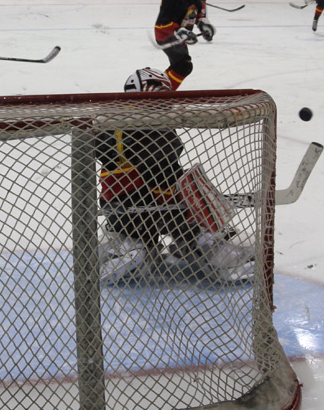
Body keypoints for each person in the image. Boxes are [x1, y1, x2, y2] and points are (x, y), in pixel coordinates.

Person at [95, 68, 253, 284]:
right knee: (182, 204)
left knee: (169, 198)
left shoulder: (117, 120)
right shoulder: (145, 128)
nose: (168, 101)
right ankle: (193, 242)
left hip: (123, 212)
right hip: (141, 209)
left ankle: (139, 244)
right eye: (163, 93)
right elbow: (162, 173)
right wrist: (193, 211)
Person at [154, 0, 204, 89]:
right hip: (166, 36)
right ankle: (162, 92)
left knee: (179, 66)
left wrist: (203, 23)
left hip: (180, 37)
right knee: (183, 66)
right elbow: (163, 22)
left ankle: (158, 90)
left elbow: (197, 13)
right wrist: (180, 31)